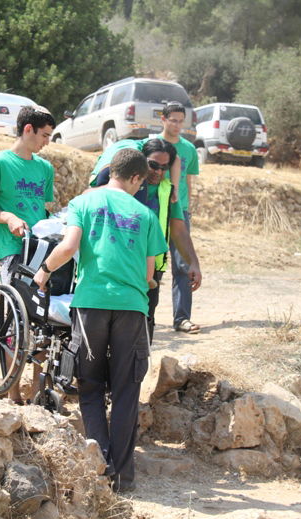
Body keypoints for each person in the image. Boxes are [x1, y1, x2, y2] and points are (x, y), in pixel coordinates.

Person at [33, 148, 167, 492]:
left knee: (90, 386)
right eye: (141, 183)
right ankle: (123, 475)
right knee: (125, 390)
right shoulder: (146, 214)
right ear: (136, 178)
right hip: (132, 309)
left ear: (111, 172)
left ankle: (99, 465)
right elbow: (150, 273)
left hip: (91, 304)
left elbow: (68, 247)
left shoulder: (84, 202)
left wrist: (44, 272)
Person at [0, 105, 56, 403]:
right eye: (44, 135)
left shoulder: (45, 169)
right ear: (28, 130)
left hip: (42, 249)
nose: (47, 141)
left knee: (46, 319)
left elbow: (44, 210)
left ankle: (37, 392)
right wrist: (7, 216)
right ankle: (12, 393)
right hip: (12, 250)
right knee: (17, 320)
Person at [90, 138, 202, 341]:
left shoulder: (167, 191)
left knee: (142, 330)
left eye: (164, 167)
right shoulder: (124, 184)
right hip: (118, 266)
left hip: (151, 273)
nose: (158, 172)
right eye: (153, 165)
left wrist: (193, 262)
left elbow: (178, 229)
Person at [154, 102, 201, 334]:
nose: (177, 125)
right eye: (173, 120)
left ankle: (182, 318)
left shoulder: (189, 150)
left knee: (182, 264)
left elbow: (187, 182)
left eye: (181, 121)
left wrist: (186, 210)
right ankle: (145, 317)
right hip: (155, 211)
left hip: (179, 213)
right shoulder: (151, 145)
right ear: (162, 119)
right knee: (151, 263)